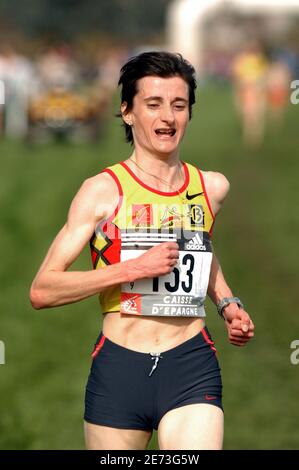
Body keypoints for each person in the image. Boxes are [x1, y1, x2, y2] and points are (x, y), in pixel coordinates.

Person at [30, 51, 255, 450]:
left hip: (191, 365)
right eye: (153, 104)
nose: (167, 117)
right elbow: (43, 290)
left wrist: (227, 303)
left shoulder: (211, 188)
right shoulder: (102, 191)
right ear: (128, 112)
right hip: (119, 370)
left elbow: (201, 249)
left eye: (179, 105)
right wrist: (131, 268)